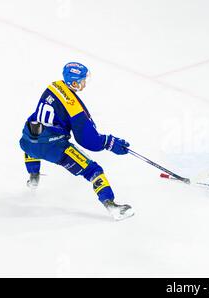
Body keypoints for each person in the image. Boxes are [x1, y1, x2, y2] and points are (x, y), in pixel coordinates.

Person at [19, 62, 134, 221]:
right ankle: (111, 206)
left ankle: (33, 177)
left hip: (27, 140)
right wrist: (109, 142)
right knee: (93, 170)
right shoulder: (74, 108)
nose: (84, 83)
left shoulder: (54, 86)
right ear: (74, 83)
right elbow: (89, 141)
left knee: (33, 145)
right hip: (53, 148)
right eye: (82, 80)